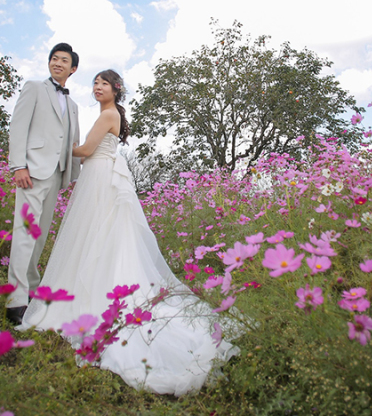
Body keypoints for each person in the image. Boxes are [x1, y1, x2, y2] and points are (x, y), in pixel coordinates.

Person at [21, 69, 238, 396]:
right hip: (99, 176)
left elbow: (86, 150)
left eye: (104, 83)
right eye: (95, 83)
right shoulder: (109, 114)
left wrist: (57, 146)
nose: (97, 87)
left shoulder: (109, 114)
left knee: (96, 235)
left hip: (100, 179)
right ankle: (90, 287)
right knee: (96, 237)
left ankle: (96, 294)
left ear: (115, 90)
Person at [6, 43, 81, 325]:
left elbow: (71, 141)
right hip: (32, 171)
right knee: (25, 233)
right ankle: (15, 301)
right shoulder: (34, 88)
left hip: (56, 175)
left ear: (73, 69)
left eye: (64, 60)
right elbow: (18, 126)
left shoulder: (73, 106)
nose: (57, 63)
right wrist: (18, 165)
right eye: (54, 59)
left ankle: (32, 290)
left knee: (39, 236)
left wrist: (72, 176)